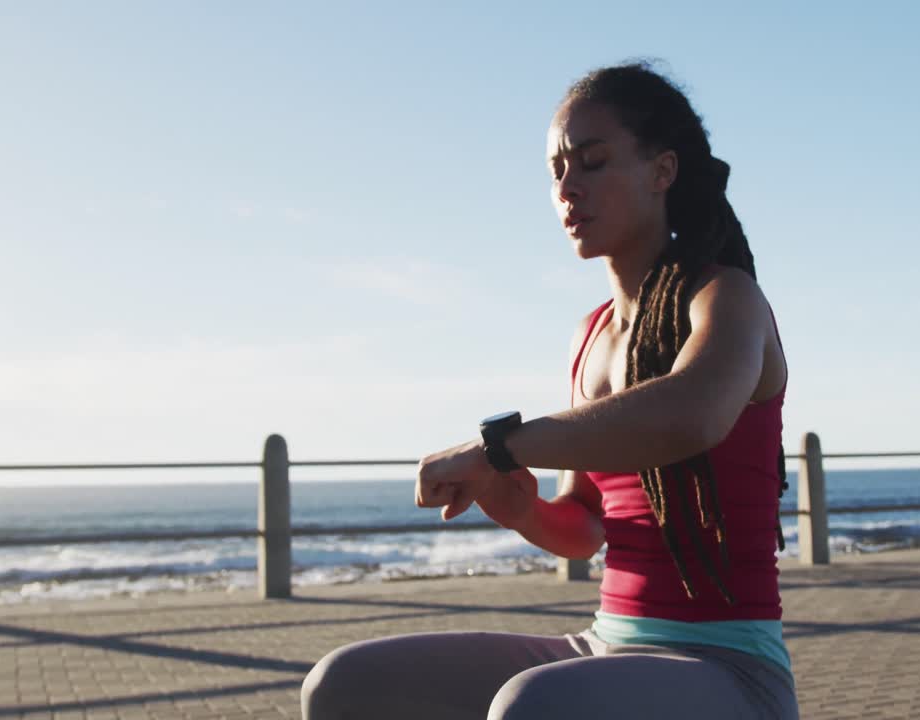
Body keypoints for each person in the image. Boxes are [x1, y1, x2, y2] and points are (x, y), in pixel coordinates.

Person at [301, 61, 797, 720]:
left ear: (662, 172)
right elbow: (586, 525)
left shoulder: (728, 299)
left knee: (531, 707)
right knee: (342, 684)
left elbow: (691, 416)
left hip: (730, 667)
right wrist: (521, 509)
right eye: (556, 170)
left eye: (592, 163)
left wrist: (497, 448)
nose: (569, 187)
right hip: (604, 644)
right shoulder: (589, 336)